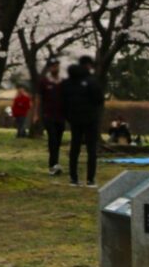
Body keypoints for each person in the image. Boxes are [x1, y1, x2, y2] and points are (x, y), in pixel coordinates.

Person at [62, 57, 104, 187]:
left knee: (75, 147)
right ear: (88, 65)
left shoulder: (68, 82)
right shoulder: (91, 81)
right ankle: (90, 179)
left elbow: (63, 101)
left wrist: (68, 115)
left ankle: (73, 178)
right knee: (91, 149)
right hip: (90, 118)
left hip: (74, 119)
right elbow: (99, 99)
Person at [36, 58, 65, 175]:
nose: (55, 68)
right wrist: (36, 114)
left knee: (58, 141)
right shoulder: (44, 82)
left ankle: (56, 163)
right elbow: (38, 98)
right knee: (52, 139)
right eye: (53, 66)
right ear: (49, 68)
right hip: (48, 115)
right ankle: (52, 165)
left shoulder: (63, 82)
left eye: (57, 66)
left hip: (61, 116)